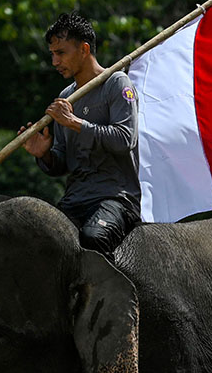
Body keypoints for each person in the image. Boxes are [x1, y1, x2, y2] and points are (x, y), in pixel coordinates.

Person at [20, 13, 140, 254]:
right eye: (52, 54)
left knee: (93, 237)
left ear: (84, 49)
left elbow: (125, 139)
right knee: (37, 244)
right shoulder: (66, 96)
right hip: (75, 199)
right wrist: (44, 155)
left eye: (61, 53)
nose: (54, 61)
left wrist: (75, 123)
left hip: (115, 198)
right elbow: (62, 163)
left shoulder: (117, 84)